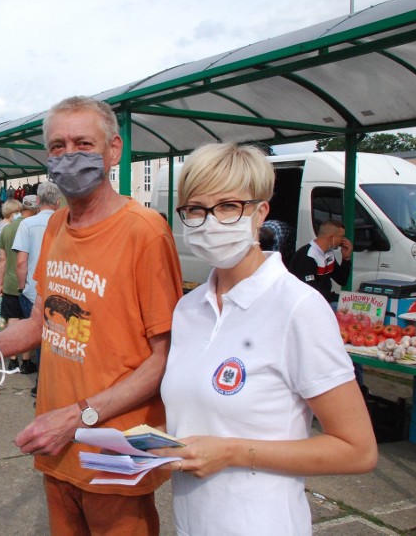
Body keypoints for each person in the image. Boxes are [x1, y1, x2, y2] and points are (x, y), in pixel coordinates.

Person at [0, 96, 183, 534]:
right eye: (57, 146)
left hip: (115, 447)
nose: (68, 155)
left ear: (113, 150)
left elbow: (165, 358)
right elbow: (43, 322)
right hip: (57, 438)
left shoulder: (146, 231)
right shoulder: (58, 224)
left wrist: (79, 416)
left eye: (83, 143)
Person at [151, 142, 377, 535]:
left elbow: (357, 449)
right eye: (195, 210)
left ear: (260, 213)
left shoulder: (297, 308)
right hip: (192, 524)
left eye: (227, 207)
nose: (210, 222)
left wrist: (233, 452)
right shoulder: (188, 310)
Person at [13, 183, 62, 376]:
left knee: (37, 337)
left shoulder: (27, 224)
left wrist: (21, 285)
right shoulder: (64, 223)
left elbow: (21, 261)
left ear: (38, 201)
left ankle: (42, 384)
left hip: (33, 289)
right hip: (59, 289)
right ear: (58, 202)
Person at [0, 198, 30, 371]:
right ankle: (26, 361)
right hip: (28, 282)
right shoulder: (30, 227)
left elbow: (2, 260)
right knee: (26, 322)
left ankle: (12, 360)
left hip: (9, 282)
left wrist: (0, 282)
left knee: (12, 321)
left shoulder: (7, 229)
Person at [288, 219, 353, 306]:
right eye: (342, 236)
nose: (343, 240)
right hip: (306, 303)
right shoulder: (307, 256)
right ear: (332, 237)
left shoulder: (328, 253)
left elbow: (342, 280)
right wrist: (338, 298)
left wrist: (346, 259)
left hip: (323, 300)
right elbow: (311, 290)